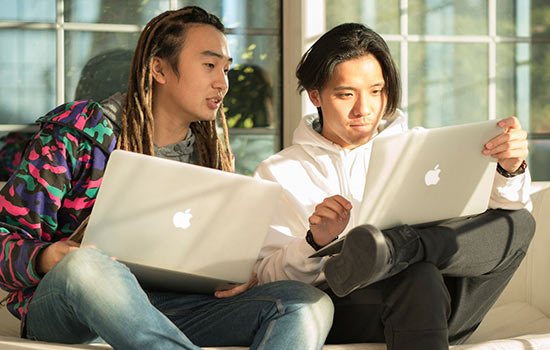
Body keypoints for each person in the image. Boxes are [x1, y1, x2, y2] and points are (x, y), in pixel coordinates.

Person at [0, 6, 334, 350]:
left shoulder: (213, 154)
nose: (222, 82)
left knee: (307, 303)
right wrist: (49, 257)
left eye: (226, 68)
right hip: (72, 307)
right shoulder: (80, 132)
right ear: (159, 68)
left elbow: (220, 254)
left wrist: (237, 273)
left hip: (178, 308)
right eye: (209, 65)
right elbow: (5, 239)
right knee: (86, 265)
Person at [254, 23, 535, 350]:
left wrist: (510, 168)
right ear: (316, 95)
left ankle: (403, 248)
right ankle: (403, 251)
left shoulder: (424, 145)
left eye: (376, 91)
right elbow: (266, 279)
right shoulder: (280, 172)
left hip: (442, 305)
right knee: (418, 277)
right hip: (352, 306)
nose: (365, 109)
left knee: (520, 224)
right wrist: (314, 242)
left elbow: (496, 221)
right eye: (347, 94)